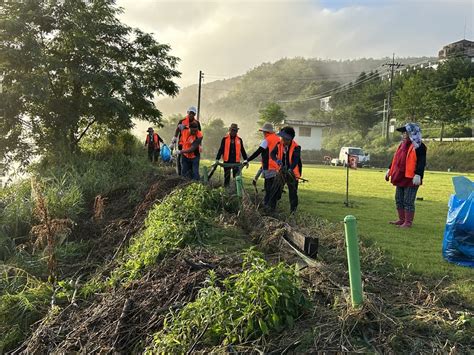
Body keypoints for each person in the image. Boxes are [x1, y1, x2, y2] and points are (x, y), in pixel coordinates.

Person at [385, 123, 427, 228]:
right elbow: (396, 159)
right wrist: (389, 169)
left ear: (412, 133)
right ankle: (401, 219)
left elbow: (422, 162)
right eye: (403, 132)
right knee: (398, 198)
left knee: (408, 200)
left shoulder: (419, 146)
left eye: (406, 132)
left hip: (411, 178)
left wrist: (418, 174)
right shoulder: (401, 144)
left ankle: (408, 222)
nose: (404, 134)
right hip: (400, 176)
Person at [243, 122, 280, 210]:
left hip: (269, 166)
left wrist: (247, 159)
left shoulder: (267, 140)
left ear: (266, 132)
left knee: (268, 188)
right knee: (274, 188)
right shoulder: (278, 139)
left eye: (263, 132)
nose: (263, 134)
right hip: (278, 167)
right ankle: (272, 207)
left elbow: (258, 151)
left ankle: (267, 206)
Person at [270, 126, 302, 213]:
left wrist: (290, 169)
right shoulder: (279, 144)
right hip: (281, 171)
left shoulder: (297, 147)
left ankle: (293, 212)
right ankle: (271, 209)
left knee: (293, 193)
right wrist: (277, 160)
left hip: (292, 173)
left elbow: (295, 161)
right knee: (275, 189)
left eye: (285, 138)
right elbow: (272, 154)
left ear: (290, 138)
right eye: (282, 137)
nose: (283, 139)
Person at [171, 106, 202, 175]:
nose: (191, 115)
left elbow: (199, 134)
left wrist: (200, 144)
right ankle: (180, 175)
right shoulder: (182, 121)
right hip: (182, 143)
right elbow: (178, 129)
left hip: (192, 143)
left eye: (193, 113)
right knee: (181, 161)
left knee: (192, 160)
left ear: (195, 114)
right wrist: (174, 138)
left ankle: (190, 176)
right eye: (190, 113)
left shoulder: (197, 123)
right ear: (188, 113)